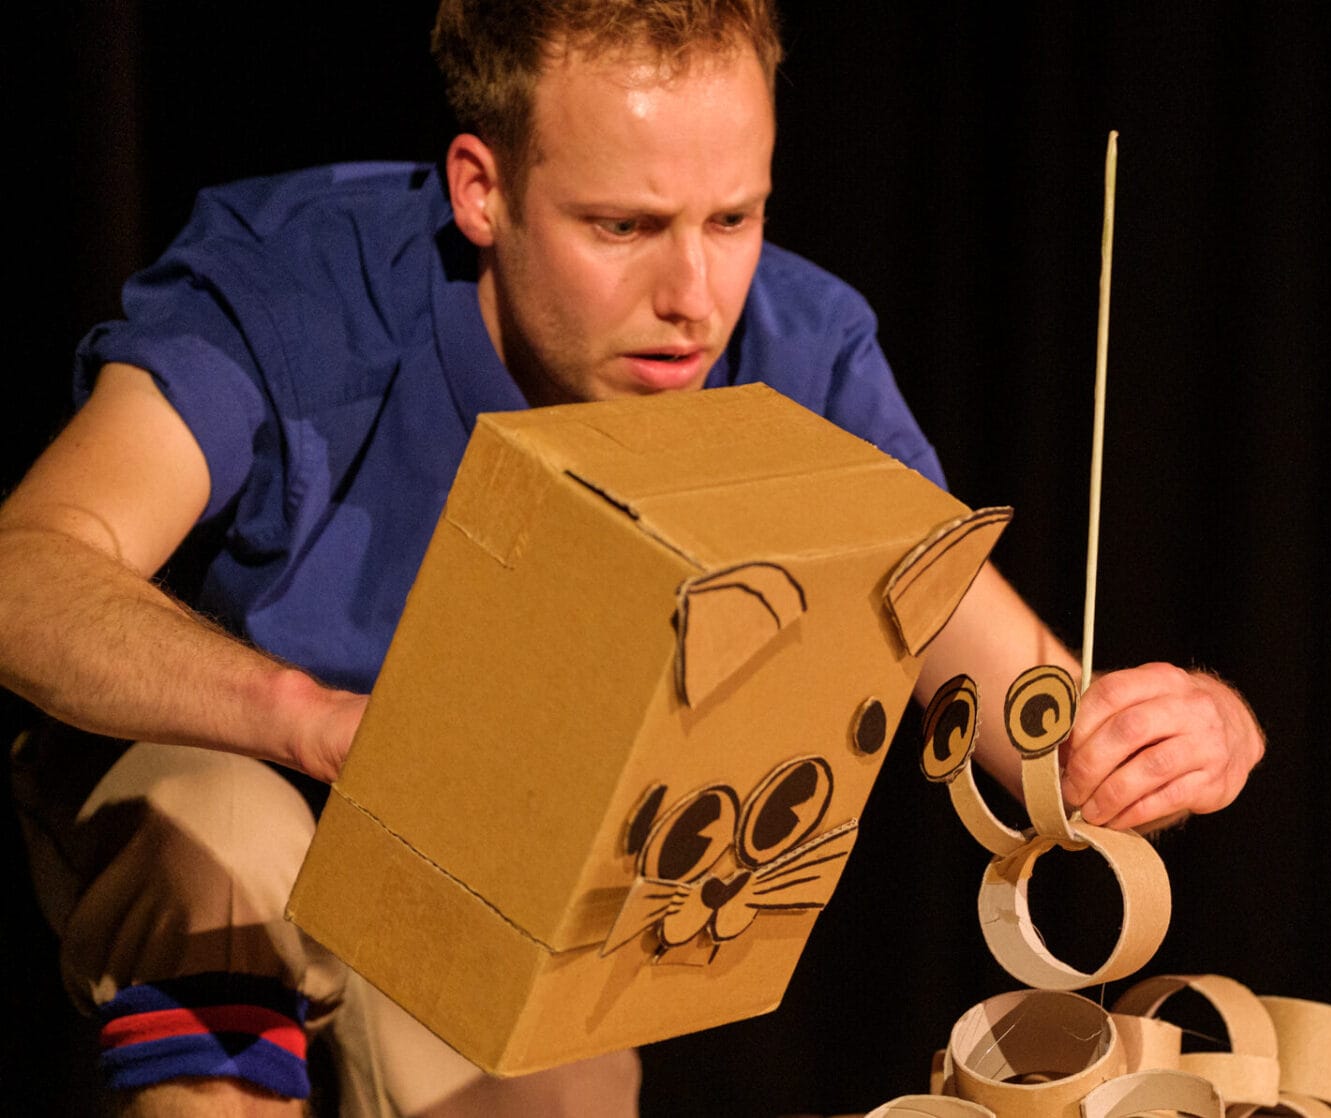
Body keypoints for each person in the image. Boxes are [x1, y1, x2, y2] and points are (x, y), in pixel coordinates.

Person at [0, 1, 1265, 1114]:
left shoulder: (795, 346)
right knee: (223, 844)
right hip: (238, 762)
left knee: (541, 1081)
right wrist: (315, 719)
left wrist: (1176, 730)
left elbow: (1017, 701)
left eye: (736, 216)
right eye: (623, 225)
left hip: (511, 862)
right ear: (479, 190)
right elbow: (29, 572)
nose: (694, 295)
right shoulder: (305, 283)